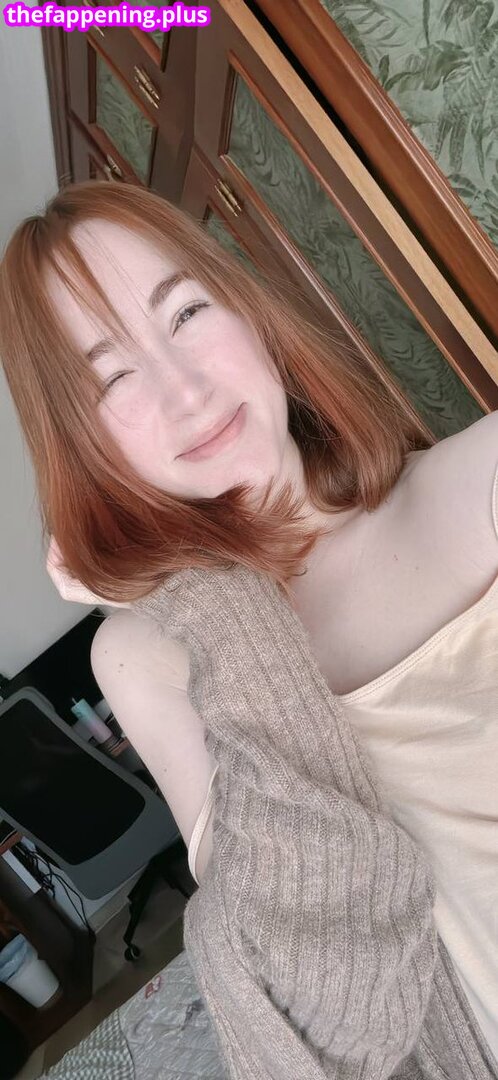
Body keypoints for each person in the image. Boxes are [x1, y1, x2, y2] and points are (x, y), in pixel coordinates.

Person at [0, 181, 497, 1073]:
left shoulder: (481, 483)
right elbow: (328, 1022)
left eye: (186, 313)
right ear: (83, 447)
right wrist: (209, 593)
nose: (186, 392)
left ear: (251, 314)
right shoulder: (143, 653)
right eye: (112, 377)